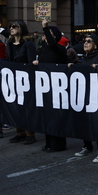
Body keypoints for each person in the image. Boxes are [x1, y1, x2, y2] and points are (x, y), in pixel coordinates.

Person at [33, 19, 68, 153]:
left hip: (57, 87)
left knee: (56, 116)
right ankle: (49, 143)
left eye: (51, 34)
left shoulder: (58, 48)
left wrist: (46, 28)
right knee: (47, 116)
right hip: (45, 86)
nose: (47, 36)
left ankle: (58, 144)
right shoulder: (44, 49)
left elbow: (53, 45)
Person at [73, 34, 98, 163]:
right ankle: (87, 146)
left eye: (89, 41)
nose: (85, 43)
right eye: (84, 41)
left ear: (95, 44)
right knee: (85, 122)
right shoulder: (85, 58)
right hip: (86, 94)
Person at [7, 20, 37, 145]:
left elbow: (31, 62)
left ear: (21, 28)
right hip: (13, 78)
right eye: (10, 26)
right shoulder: (9, 43)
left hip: (25, 79)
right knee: (16, 106)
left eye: (15, 26)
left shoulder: (28, 44)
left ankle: (30, 133)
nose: (12, 28)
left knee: (27, 107)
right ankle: (20, 132)